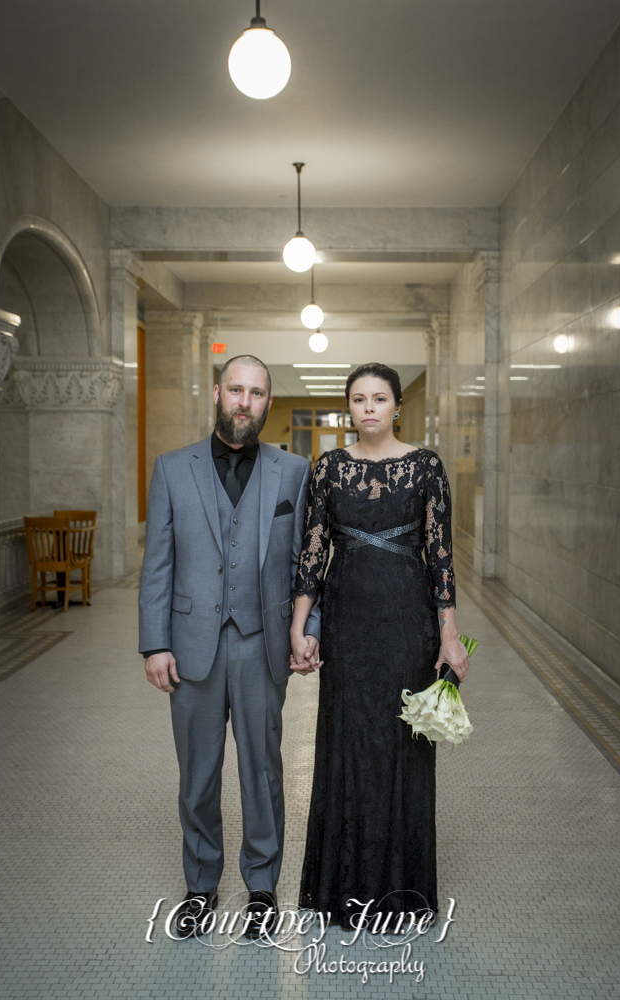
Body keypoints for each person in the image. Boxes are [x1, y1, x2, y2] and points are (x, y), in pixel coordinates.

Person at [139, 355, 321, 938]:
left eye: (258, 393)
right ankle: (200, 885)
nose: (246, 401)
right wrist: (154, 644)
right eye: (236, 390)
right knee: (197, 773)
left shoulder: (294, 472)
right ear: (218, 392)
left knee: (264, 771)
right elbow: (158, 566)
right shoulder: (172, 469)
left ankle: (262, 887)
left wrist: (308, 629)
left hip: (260, 644)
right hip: (190, 645)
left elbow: (308, 566)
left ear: (269, 402)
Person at [290, 362, 469, 929]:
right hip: (347, 623)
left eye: (379, 398)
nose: (369, 408)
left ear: (396, 406)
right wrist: (301, 626)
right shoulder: (329, 469)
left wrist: (449, 634)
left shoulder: (426, 467)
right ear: (351, 408)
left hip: (406, 622)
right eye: (359, 399)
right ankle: (340, 887)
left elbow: (441, 557)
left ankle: (401, 892)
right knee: (347, 740)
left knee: (402, 744)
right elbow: (313, 552)